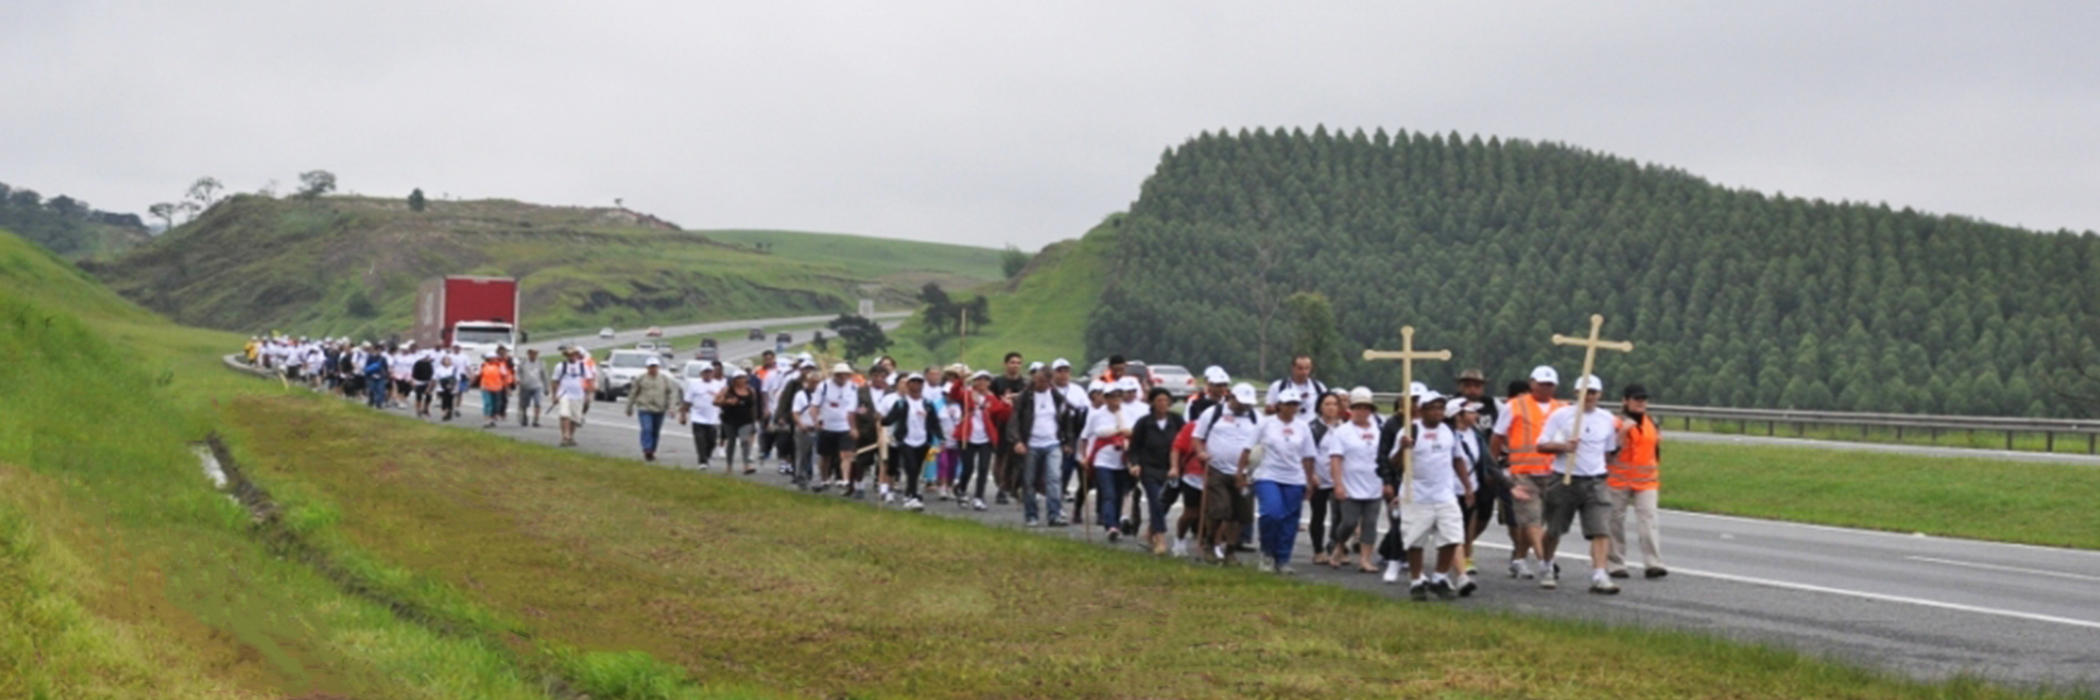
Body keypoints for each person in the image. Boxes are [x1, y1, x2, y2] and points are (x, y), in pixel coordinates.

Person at [1537, 374, 1621, 595]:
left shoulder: (1606, 419)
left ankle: (1600, 574)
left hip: (1595, 480)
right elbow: (1542, 445)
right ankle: (1546, 565)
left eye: (1593, 393)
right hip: (1565, 478)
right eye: (1585, 393)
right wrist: (1563, 446)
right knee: (1555, 528)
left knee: (1601, 529)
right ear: (1576, 394)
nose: (1589, 397)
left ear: (1599, 394)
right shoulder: (1562, 416)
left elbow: (1609, 451)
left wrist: (1604, 471)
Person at [1393, 391, 1471, 601]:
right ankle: (1417, 580)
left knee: (1452, 537)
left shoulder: (1448, 431)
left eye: (1441, 408)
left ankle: (1440, 576)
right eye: (1433, 408)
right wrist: (1403, 449)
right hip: (1416, 494)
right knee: (1415, 540)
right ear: (1422, 410)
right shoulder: (1410, 431)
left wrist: (1467, 486)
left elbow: (1458, 459)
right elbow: (1393, 464)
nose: (1438, 412)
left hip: (1444, 494)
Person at [1493, 366, 1565, 581]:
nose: (1545, 388)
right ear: (1532, 383)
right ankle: (1546, 563)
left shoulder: (1561, 408)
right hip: (1523, 472)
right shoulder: (1514, 406)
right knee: (1531, 520)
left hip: (1553, 473)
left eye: (1550, 384)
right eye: (1541, 384)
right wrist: (1493, 466)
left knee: (1539, 521)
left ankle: (1519, 559)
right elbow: (1497, 437)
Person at [1250, 388, 1318, 574]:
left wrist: (1309, 480)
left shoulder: (1303, 427)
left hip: (1294, 477)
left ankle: (1282, 558)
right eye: (1288, 404)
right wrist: (1242, 471)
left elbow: (1308, 456)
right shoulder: (1266, 424)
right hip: (1268, 474)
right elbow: (1248, 448)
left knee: (1289, 521)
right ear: (1279, 405)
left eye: (1294, 404)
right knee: (1272, 513)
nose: (1291, 408)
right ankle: (1266, 553)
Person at [1191, 383, 1260, 565]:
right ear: (1231, 397)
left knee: (1240, 514)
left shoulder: (1255, 417)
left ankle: (1230, 550)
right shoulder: (1213, 413)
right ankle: (1209, 544)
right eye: (1241, 402)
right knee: (1220, 508)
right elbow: (1197, 437)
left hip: (1244, 473)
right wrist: (1200, 452)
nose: (1244, 406)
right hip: (1217, 469)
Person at [1606, 383, 1667, 579]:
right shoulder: (1615, 423)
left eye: (1643, 400)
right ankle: (1615, 563)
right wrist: (1622, 433)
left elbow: (1655, 452)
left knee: (1649, 521)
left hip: (1646, 481)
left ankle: (1653, 562)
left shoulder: (1652, 423)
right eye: (1636, 399)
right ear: (1625, 401)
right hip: (1618, 480)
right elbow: (1608, 452)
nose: (1640, 403)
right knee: (1615, 521)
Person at [1325, 387, 1385, 573]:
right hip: (1351, 484)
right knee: (1349, 521)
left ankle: (1365, 559)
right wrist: (1338, 484)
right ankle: (1339, 544)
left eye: (1366, 408)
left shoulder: (1379, 430)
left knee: (1370, 522)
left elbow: (1384, 455)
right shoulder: (1343, 432)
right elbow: (1335, 459)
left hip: (1374, 483)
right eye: (1358, 407)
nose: (1362, 411)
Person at [1006, 363, 1074, 527]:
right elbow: (1013, 421)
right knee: (1028, 480)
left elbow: (1067, 421)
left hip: (1053, 443)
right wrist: (1017, 441)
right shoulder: (1024, 397)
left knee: (1054, 478)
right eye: (1036, 381)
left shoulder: (1058, 398)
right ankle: (1031, 514)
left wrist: (1068, 442)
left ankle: (1054, 513)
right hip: (1031, 444)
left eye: (1043, 381)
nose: (1039, 384)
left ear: (1050, 381)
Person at [1127, 386, 1183, 555]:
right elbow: (1134, 448)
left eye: (1166, 400)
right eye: (1159, 400)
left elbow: (1185, 441)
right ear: (1152, 402)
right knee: (1156, 500)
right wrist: (1135, 464)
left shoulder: (1177, 420)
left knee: (1166, 502)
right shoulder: (1144, 423)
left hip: (1171, 468)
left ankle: (1151, 530)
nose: (1163, 404)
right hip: (1150, 468)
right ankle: (1160, 538)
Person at [1083, 377, 1136, 541]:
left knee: (1120, 494)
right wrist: (1084, 456)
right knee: (1108, 493)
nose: (1116, 400)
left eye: (1118, 396)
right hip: (1103, 460)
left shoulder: (1128, 413)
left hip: (1122, 461)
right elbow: (1089, 435)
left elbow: (1132, 432)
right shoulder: (1097, 415)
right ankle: (1110, 525)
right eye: (1112, 397)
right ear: (1105, 399)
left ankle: (1117, 524)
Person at [882, 373, 942, 511]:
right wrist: (882, 420)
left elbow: (934, 422)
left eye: (919, 383)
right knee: (911, 467)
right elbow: (889, 419)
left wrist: (940, 438)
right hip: (905, 440)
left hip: (922, 440)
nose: (916, 385)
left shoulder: (927, 404)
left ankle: (910, 493)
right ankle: (913, 496)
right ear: (908, 385)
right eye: (913, 382)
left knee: (917, 468)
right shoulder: (902, 403)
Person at [1448, 397, 1486, 596]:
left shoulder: (1477, 435)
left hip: (1470, 488)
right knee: (1451, 531)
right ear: (1458, 415)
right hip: (1449, 489)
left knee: (1462, 529)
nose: (1475, 415)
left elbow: (1483, 460)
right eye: (1470, 412)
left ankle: (1456, 568)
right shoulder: (1449, 435)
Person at [953, 370, 1007, 511]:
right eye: (979, 379)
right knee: (968, 468)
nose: (982, 382)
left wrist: (1007, 404)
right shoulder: (967, 394)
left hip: (985, 438)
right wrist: (960, 381)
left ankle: (979, 497)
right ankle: (962, 489)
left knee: (983, 468)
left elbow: (1002, 415)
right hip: (968, 436)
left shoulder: (992, 399)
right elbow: (954, 394)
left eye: (986, 380)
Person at [809, 363, 862, 495]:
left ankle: (845, 479)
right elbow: (815, 405)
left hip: (845, 426)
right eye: (839, 375)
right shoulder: (824, 386)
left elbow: (857, 407)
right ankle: (824, 479)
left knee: (846, 454)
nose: (842, 377)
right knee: (825, 456)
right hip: (827, 426)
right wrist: (816, 420)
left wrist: (855, 425)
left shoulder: (854, 388)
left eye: (845, 375)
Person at [1307, 391, 1344, 567]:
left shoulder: (1344, 428)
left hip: (1338, 478)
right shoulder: (1313, 428)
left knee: (1342, 516)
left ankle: (1336, 546)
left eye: (1334, 404)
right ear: (1320, 407)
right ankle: (1318, 550)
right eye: (1327, 404)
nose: (1331, 408)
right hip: (1319, 477)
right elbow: (1307, 453)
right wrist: (1311, 474)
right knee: (1318, 515)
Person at [988, 352, 1029, 505]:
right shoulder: (997, 383)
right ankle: (1001, 487)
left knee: (1018, 459)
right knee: (1001, 457)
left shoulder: (1025, 384)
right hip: (1001, 424)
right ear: (1005, 364)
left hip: (1018, 425)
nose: (1015, 365)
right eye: (1012, 362)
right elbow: (990, 401)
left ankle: (1015, 486)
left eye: (1018, 363)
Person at [626, 356, 680, 462]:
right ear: (647, 367)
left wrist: (672, 407)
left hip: (659, 409)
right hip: (644, 408)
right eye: (651, 367)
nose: (653, 369)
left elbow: (672, 393)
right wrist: (629, 407)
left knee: (655, 431)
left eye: (655, 367)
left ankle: (652, 450)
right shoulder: (641, 378)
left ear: (658, 367)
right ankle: (647, 449)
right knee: (647, 429)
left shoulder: (665, 379)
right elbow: (633, 393)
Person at [784, 361, 822, 488]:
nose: (815, 385)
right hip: (804, 428)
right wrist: (800, 424)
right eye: (813, 382)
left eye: (818, 382)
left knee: (817, 455)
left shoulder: (823, 395)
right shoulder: (800, 395)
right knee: (802, 454)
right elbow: (795, 412)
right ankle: (800, 476)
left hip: (818, 428)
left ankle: (816, 478)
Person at [718, 370, 762, 474]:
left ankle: (746, 464)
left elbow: (754, 406)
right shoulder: (727, 390)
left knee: (745, 440)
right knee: (731, 442)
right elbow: (716, 401)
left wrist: (755, 420)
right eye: (739, 378)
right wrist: (727, 402)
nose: (742, 380)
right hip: (730, 419)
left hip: (746, 420)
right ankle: (729, 466)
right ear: (734, 380)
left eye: (743, 377)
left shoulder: (750, 390)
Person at [683, 363, 725, 469]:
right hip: (697, 417)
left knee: (712, 440)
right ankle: (702, 461)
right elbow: (687, 401)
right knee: (700, 440)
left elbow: (723, 400)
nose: (708, 374)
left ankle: (707, 455)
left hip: (713, 418)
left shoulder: (718, 385)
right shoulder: (694, 385)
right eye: (705, 372)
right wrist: (683, 414)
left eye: (710, 372)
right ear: (701, 374)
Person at [552, 348, 594, 447]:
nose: (572, 357)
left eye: (574, 354)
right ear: (566, 356)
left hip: (578, 395)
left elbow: (589, 380)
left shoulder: (583, 366)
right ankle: (565, 436)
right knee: (564, 414)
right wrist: (554, 395)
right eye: (569, 355)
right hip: (564, 394)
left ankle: (570, 436)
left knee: (575, 418)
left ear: (577, 355)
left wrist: (588, 394)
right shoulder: (560, 366)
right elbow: (555, 381)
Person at [478, 351, 513, 429]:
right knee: (488, 403)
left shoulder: (500, 366)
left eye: (495, 358)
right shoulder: (484, 365)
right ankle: (487, 420)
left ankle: (492, 419)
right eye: (492, 358)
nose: (494, 359)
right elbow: (479, 375)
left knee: (495, 405)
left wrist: (507, 388)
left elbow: (504, 377)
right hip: (486, 387)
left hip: (497, 388)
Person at [515, 348, 547, 427]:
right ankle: (524, 416)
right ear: (528, 354)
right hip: (525, 386)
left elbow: (544, 376)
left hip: (537, 386)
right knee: (524, 404)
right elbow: (517, 373)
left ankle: (536, 420)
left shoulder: (541, 363)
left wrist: (546, 388)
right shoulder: (523, 363)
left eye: (535, 354)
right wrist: (518, 380)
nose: (533, 355)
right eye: (532, 353)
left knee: (538, 402)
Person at [433, 354, 462, 420]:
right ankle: (443, 413)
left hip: (452, 387)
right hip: (442, 387)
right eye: (446, 360)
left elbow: (457, 378)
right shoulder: (439, 369)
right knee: (444, 400)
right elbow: (435, 378)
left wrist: (453, 386)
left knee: (450, 400)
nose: (447, 361)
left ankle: (449, 412)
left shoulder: (454, 369)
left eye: (449, 360)